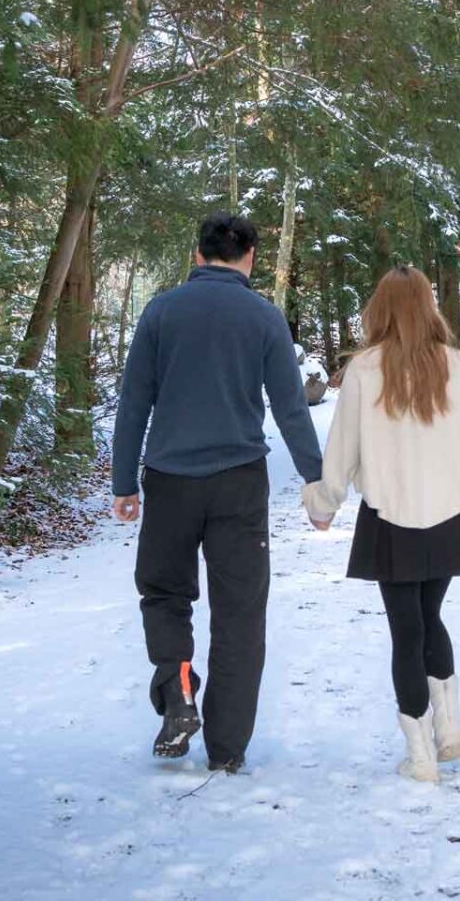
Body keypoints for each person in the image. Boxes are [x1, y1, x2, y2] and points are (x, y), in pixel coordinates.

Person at [111, 213, 325, 774]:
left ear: (197, 254)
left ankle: (178, 691)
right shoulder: (263, 317)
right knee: (239, 613)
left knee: (163, 591)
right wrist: (314, 478)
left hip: (169, 480)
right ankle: (227, 750)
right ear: (250, 256)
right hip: (239, 483)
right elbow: (289, 406)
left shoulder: (160, 312)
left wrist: (124, 483)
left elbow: (135, 401)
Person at [303, 266, 460, 783]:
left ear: (380, 308)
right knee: (429, 617)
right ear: (427, 306)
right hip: (449, 513)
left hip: (390, 517)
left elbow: (342, 452)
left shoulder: (364, 370)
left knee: (406, 629)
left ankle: (421, 755)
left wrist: (322, 504)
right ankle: (450, 729)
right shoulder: (456, 366)